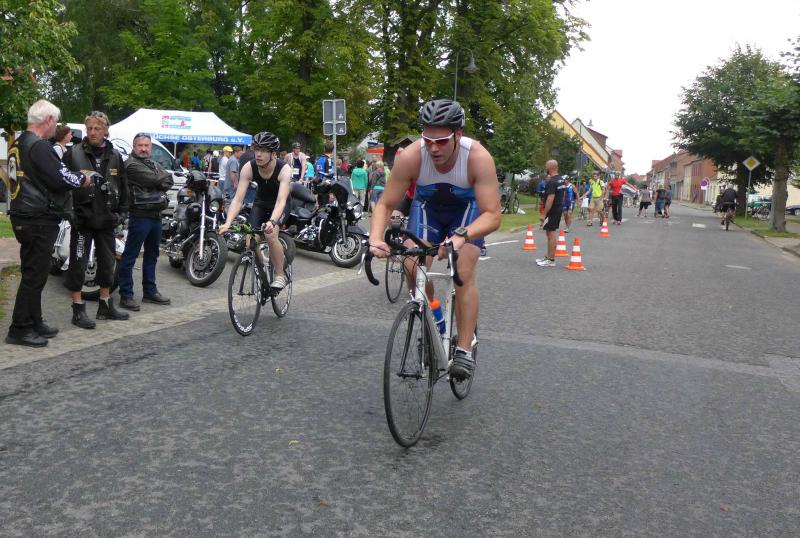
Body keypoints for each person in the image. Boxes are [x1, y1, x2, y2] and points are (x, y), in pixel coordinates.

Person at [368, 99, 501, 380]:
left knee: (462, 270)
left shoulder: (477, 157)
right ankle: (435, 321)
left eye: (441, 141)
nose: (434, 148)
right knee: (411, 266)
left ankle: (464, 349)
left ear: (458, 135)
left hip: (467, 213)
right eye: (428, 140)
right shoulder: (411, 156)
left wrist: (460, 237)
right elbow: (385, 204)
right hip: (428, 209)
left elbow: (492, 215)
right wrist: (376, 238)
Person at [5, 99, 93, 347]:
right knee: (35, 275)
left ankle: (35, 320)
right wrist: (82, 179)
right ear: (48, 120)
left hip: (24, 215)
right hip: (38, 218)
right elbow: (60, 178)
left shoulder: (19, 143)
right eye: (56, 121)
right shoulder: (40, 146)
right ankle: (20, 328)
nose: (57, 126)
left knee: (34, 272)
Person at [63, 110, 130, 328]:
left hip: (107, 220)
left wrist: (122, 213)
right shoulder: (73, 154)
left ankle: (105, 305)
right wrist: (70, 214)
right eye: (89, 128)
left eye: (97, 128)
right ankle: (78, 309)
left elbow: (123, 186)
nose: (92, 132)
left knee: (107, 265)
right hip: (82, 220)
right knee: (78, 265)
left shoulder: (115, 155)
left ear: (106, 130)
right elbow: (61, 186)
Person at [219, 131, 290, 291]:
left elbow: (281, 201)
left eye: (263, 150)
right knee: (250, 240)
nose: (258, 154)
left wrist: (272, 222)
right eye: (257, 149)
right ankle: (263, 266)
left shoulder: (284, 169)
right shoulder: (248, 167)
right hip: (260, 203)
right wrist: (228, 222)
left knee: (271, 235)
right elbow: (238, 199)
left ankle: (280, 275)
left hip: (280, 204)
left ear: (273, 154)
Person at [118, 133, 174, 311]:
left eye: (147, 145)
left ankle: (150, 292)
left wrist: (158, 179)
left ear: (150, 147)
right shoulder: (131, 165)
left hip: (156, 215)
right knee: (130, 256)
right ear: (134, 147)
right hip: (140, 215)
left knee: (152, 255)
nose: (143, 149)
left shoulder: (153, 164)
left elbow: (169, 181)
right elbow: (157, 180)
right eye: (140, 145)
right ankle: (126, 295)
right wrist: (158, 179)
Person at [536, 160, 566, 267]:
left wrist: (544, 214)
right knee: (549, 233)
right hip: (557, 208)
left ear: (550, 167)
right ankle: (548, 256)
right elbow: (563, 195)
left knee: (551, 233)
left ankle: (551, 259)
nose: (545, 167)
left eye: (546, 166)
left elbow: (550, 199)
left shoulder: (552, 182)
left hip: (552, 210)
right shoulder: (561, 180)